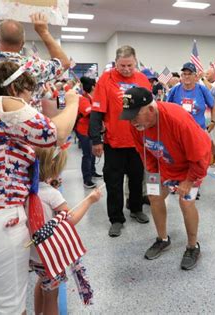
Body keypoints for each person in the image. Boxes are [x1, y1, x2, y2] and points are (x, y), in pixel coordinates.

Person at [0, 61, 78, 314]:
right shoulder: (3, 104)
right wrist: (73, 101)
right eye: (28, 94)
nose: (29, 101)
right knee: (10, 307)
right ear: (15, 88)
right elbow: (56, 133)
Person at [120, 87, 211, 270]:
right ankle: (162, 239)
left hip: (191, 166)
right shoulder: (137, 125)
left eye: (135, 115)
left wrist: (189, 180)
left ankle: (193, 246)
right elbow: (144, 151)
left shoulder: (178, 119)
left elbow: (200, 156)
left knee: (186, 202)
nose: (131, 121)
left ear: (151, 110)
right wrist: (154, 172)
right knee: (154, 196)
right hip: (165, 165)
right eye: (129, 116)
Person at [30, 146, 102, 315]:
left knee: (41, 283)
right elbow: (70, 221)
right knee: (51, 297)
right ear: (54, 167)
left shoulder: (30, 188)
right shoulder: (52, 194)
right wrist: (89, 200)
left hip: (34, 254)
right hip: (50, 256)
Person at [0, 13, 70, 117]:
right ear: (23, 42)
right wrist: (43, 31)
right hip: (27, 131)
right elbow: (64, 62)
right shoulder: (36, 67)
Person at [90, 45, 150, 238]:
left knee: (136, 178)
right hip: (114, 142)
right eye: (122, 65)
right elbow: (97, 112)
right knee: (113, 182)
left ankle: (135, 208)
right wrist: (95, 140)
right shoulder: (106, 80)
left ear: (135, 61)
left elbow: (151, 109)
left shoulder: (142, 79)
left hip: (138, 142)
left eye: (130, 65)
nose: (126, 69)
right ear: (116, 63)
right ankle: (116, 219)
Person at [167, 62, 215, 130]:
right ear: (181, 76)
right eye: (185, 74)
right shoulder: (175, 90)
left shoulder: (202, 89)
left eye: (190, 74)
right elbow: (166, 108)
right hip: (179, 130)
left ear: (195, 76)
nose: (187, 76)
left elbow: (213, 105)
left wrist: (213, 121)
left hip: (198, 130)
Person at [77, 76, 102, 189]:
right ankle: (86, 179)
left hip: (91, 130)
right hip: (83, 130)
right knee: (87, 155)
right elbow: (90, 113)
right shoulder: (83, 99)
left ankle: (92, 171)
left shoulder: (92, 98)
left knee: (92, 153)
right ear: (93, 86)